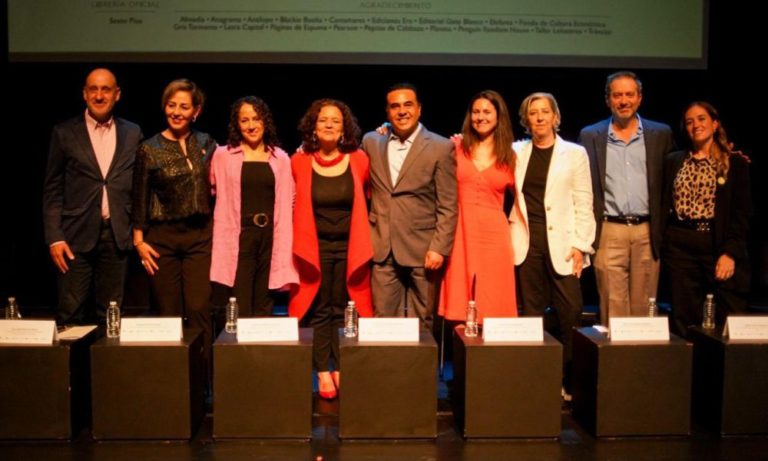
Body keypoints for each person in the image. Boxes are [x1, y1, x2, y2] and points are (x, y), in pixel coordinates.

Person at [509, 92, 595, 394]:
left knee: (569, 311)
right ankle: (538, 380)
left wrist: (581, 245)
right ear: (526, 119)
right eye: (534, 113)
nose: (540, 117)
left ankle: (569, 379)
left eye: (546, 112)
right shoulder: (516, 151)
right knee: (532, 313)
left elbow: (584, 200)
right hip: (526, 240)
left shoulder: (574, 153)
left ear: (556, 117)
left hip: (563, 242)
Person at [43, 68, 143, 325]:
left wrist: (138, 231)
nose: (99, 95)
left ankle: (106, 366)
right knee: (70, 311)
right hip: (74, 237)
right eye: (94, 89)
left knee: (111, 314)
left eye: (106, 89)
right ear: (85, 94)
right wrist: (54, 237)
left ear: (117, 94)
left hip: (117, 234)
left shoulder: (133, 133)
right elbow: (52, 188)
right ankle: (69, 366)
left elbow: (140, 187)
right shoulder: (64, 132)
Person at [290, 99, 373, 400]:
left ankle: (340, 365)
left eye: (335, 121)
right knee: (319, 309)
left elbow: (368, 197)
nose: (328, 124)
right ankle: (322, 370)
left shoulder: (359, 160)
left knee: (344, 307)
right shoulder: (298, 162)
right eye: (322, 120)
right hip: (315, 247)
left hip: (349, 247)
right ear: (313, 126)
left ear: (344, 129)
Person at [578, 71, 674, 325]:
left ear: (639, 98)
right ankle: (615, 362)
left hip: (646, 229)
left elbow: (676, 174)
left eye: (629, 94)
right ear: (608, 100)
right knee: (612, 304)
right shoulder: (591, 136)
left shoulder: (660, 134)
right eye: (617, 95)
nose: (623, 100)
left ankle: (641, 361)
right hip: (609, 230)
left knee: (645, 304)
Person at [132, 79, 217, 362]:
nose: (177, 111)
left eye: (184, 106)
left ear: (196, 111)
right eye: (171, 105)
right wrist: (139, 242)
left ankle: (205, 383)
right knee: (168, 313)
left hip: (200, 238)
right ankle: (174, 383)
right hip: (162, 241)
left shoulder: (206, 142)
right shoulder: (149, 148)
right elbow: (140, 196)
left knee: (198, 308)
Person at [363, 83, 458, 331]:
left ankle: (419, 371)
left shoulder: (440, 146)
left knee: (422, 321)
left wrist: (439, 247)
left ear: (419, 110)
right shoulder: (372, 142)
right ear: (387, 112)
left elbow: (448, 204)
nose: (402, 111)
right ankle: (387, 370)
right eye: (395, 106)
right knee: (382, 319)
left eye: (408, 105)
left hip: (423, 248)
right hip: (382, 245)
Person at [662, 101, 751, 338]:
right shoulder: (674, 161)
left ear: (715, 123)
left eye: (701, 119)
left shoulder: (735, 163)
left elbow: (741, 214)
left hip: (717, 244)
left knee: (725, 316)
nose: (695, 125)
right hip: (680, 247)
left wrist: (730, 253)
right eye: (689, 121)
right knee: (685, 316)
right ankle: (687, 371)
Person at [209, 96, 298, 316]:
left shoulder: (281, 158)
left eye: (256, 119)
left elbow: (291, 198)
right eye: (244, 120)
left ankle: (260, 350)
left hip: (270, 236)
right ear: (237, 125)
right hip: (239, 237)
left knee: (264, 303)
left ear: (265, 122)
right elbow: (210, 189)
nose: (251, 125)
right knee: (240, 302)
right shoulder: (223, 155)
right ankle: (239, 350)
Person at [438, 90, 517, 324]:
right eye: (476, 111)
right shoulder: (454, 146)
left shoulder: (512, 154)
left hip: (495, 236)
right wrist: (386, 130)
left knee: (493, 300)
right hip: (461, 232)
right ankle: (464, 355)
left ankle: (491, 359)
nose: (480, 117)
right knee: (461, 301)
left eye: (486, 112)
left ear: (498, 116)